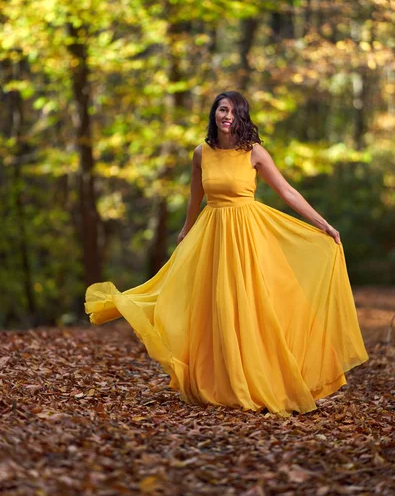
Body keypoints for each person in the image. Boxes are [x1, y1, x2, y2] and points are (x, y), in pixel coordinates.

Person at [85, 90, 368, 417]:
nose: (227, 115)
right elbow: (195, 198)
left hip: (248, 235)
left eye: (233, 111)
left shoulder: (254, 153)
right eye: (222, 109)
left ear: (241, 117)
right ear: (214, 113)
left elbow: (287, 191)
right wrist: (186, 230)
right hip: (214, 234)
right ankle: (222, 382)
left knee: (254, 305)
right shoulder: (200, 153)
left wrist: (323, 224)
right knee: (215, 307)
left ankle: (261, 379)